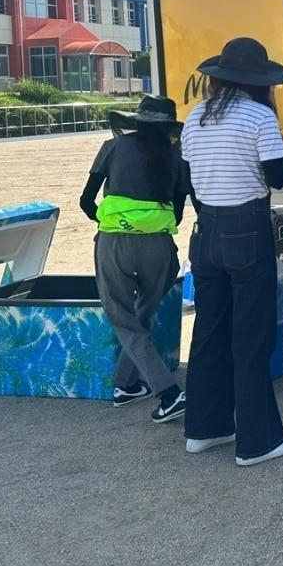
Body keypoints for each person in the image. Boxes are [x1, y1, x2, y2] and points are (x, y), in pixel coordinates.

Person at [180, 37, 283, 467]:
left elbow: (189, 179)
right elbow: (278, 176)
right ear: (258, 81)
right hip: (246, 229)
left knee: (209, 331)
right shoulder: (259, 116)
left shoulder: (195, 117)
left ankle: (205, 428)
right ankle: (257, 441)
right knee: (251, 335)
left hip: (206, 230)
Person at [80, 95, 190, 424]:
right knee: (143, 314)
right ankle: (125, 385)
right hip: (158, 246)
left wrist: (113, 222)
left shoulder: (112, 147)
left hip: (114, 244)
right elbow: (179, 213)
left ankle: (168, 393)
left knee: (124, 319)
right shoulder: (177, 157)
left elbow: (86, 201)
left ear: (137, 121)